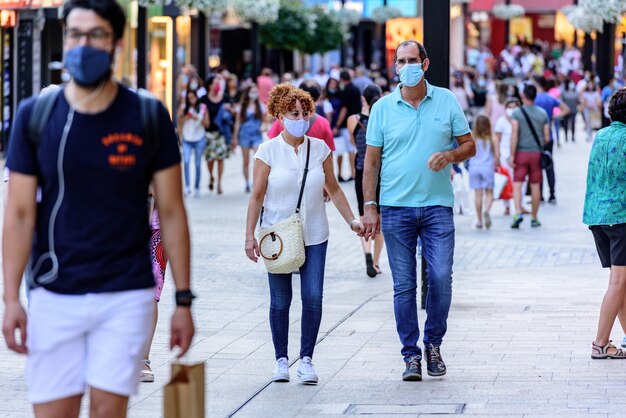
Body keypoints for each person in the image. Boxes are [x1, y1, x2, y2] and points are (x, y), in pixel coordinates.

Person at [2, 0, 195, 416]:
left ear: (116, 44)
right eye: (75, 34)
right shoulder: (36, 116)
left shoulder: (146, 115)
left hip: (124, 294)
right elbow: (18, 214)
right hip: (54, 293)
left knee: (109, 412)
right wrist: (11, 300)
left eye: (95, 35)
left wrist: (183, 301)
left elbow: (173, 211)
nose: (82, 45)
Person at [362, 40, 476, 381]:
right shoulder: (382, 108)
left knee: (440, 277)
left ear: (425, 64)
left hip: (437, 206)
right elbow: (371, 161)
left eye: (413, 60)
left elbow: (470, 145)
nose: (407, 65)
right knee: (403, 286)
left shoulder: (446, 100)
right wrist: (370, 207)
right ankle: (410, 355)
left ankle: (433, 344)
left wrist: (450, 156)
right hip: (395, 208)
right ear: (395, 67)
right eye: (401, 61)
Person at [244, 83, 364, 385]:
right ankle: (281, 360)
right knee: (280, 300)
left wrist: (352, 221)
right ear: (279, 115)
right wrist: (249, 236)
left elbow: (333, 189)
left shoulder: (320, 149)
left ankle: (307, 359)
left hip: (315, 234)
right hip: (278, 235)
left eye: (304, 112)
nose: (300, 118)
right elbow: (256, 196)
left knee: (313, 297)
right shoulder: (267, 151)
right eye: (293, 113)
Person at [583, 88, 626, 359]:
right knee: (619, 281)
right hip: (621, 217)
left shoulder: (601, 135)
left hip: (598, 217)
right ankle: (600, 343)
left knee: (621, 281)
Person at [348, 84, 385, 277]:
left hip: (361, 172)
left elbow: (353, 143)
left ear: (363, 98)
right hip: (380, 173)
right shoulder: (382, 119)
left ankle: (367, 253)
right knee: (379, 219)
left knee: (364, 216)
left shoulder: (353, 120)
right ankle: (377, 262)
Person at [509, 83, 550, 229]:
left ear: (523, 95)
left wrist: (511, 155)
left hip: (521, 153)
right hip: (536, 154)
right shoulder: (542, 113)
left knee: (517, 184)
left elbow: (514, 133)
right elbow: (546, 137)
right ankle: (534, 217)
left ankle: (518, 213)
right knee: (535, 186)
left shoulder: (516, 113)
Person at [267, 80, 335, 152]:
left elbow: (272, 146)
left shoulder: (283, 120)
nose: (301, 119)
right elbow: (329, 152)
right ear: (318, 97)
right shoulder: (324, 123)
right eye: (295, 114)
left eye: (305, 114)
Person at [232, 84, 266, 193]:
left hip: (256, 134)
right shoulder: (242, 106)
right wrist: (235, 137)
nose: (254, 94)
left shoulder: (260, 106)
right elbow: (237, 122)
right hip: (244, 135)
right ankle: (247, 182)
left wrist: (263, 126)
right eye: (252, 91)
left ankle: (256, 181)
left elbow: (264, 120)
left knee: (257, 159)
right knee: (246, 161)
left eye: (256, 91)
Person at [468, 115, 499, 229]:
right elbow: (497, 155)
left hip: (474, 167)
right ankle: (487, 210)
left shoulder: (472, 136)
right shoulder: (492, 137)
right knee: (489, 192)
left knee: (478, 194)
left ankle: (479, 220)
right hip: (487, 167)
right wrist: (498, 163)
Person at [178, 89, 209, 197]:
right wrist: (186, 118)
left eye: (193, 97)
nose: (191, 100)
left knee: (197, 163)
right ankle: (187, 186)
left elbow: (207, 124)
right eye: (189, 98)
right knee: (186, 161)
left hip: (199, 138)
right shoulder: (184, 108)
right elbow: (179, 122)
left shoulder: (202, 108)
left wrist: (198, 117)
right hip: (187, 139)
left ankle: (196, 187)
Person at [202, 74, 229, 194]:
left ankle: (219, 183)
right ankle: (211, 176)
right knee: (210, 159)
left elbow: (230, 114)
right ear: (209, 85)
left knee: (220, 158)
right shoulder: (203, 99)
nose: (217, 85)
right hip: (207, 133)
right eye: (215, 82)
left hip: (220, 133)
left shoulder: (224, 98)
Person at [494, 98, 521, 215]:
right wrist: (497, 155)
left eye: (514, 107)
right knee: (507, 179)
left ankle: (519, 205)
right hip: (504, 153)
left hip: (518, 154)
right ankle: (507, 205)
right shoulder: (501, 121)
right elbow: (497, 138)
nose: (512, 110)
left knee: (519, 181)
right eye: (510, 107)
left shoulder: (520, 121)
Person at [332, 70, 360, 182]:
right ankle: (354, 172)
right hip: (355, 122)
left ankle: (349, 173)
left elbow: (344, 109)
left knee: (346, 149)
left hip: (346, 124)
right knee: (352, 149)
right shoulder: (356, 89)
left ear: (342, 79)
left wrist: (337, 125)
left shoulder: (346, 91)